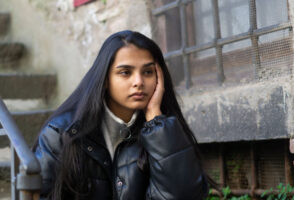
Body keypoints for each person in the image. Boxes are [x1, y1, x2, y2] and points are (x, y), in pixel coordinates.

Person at [33, 30, 209, 200]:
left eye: (148, 72)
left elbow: (184, 195)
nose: (138, 82)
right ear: (104, 80)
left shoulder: (164, 131)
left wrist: (156, 121)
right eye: (125, 72)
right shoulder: (62, 132)